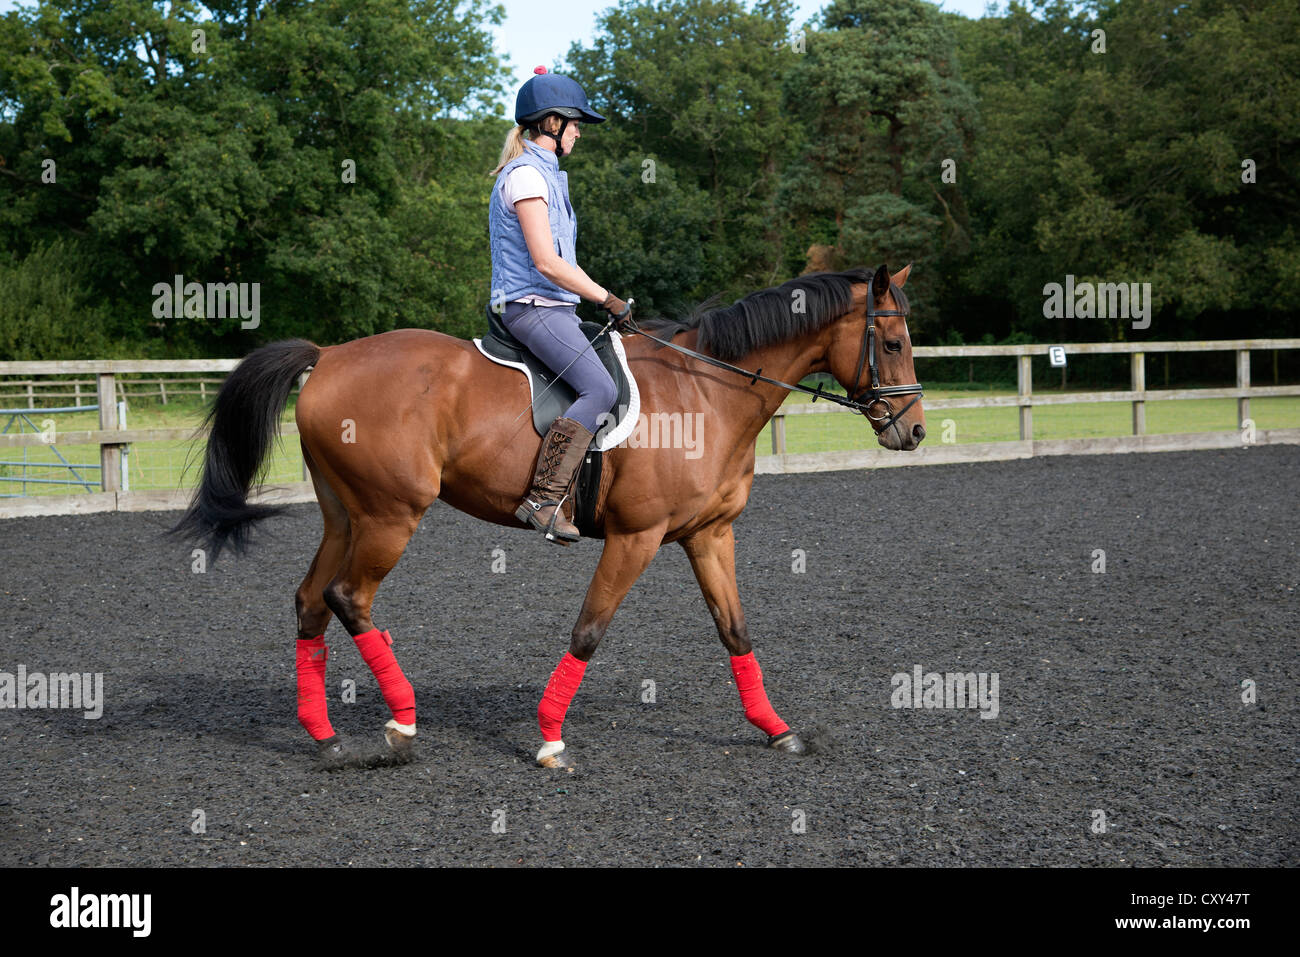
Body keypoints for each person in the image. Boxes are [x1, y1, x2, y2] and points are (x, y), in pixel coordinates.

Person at [489, 66, 631, 544]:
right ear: (551, 123)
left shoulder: (547, 175)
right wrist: (606, 297)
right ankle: (544, 498)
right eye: (575, 124)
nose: (578, 133)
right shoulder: (527, 176)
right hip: (532, 308)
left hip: (555, 308)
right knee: (600, 389)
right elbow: (548, 263)